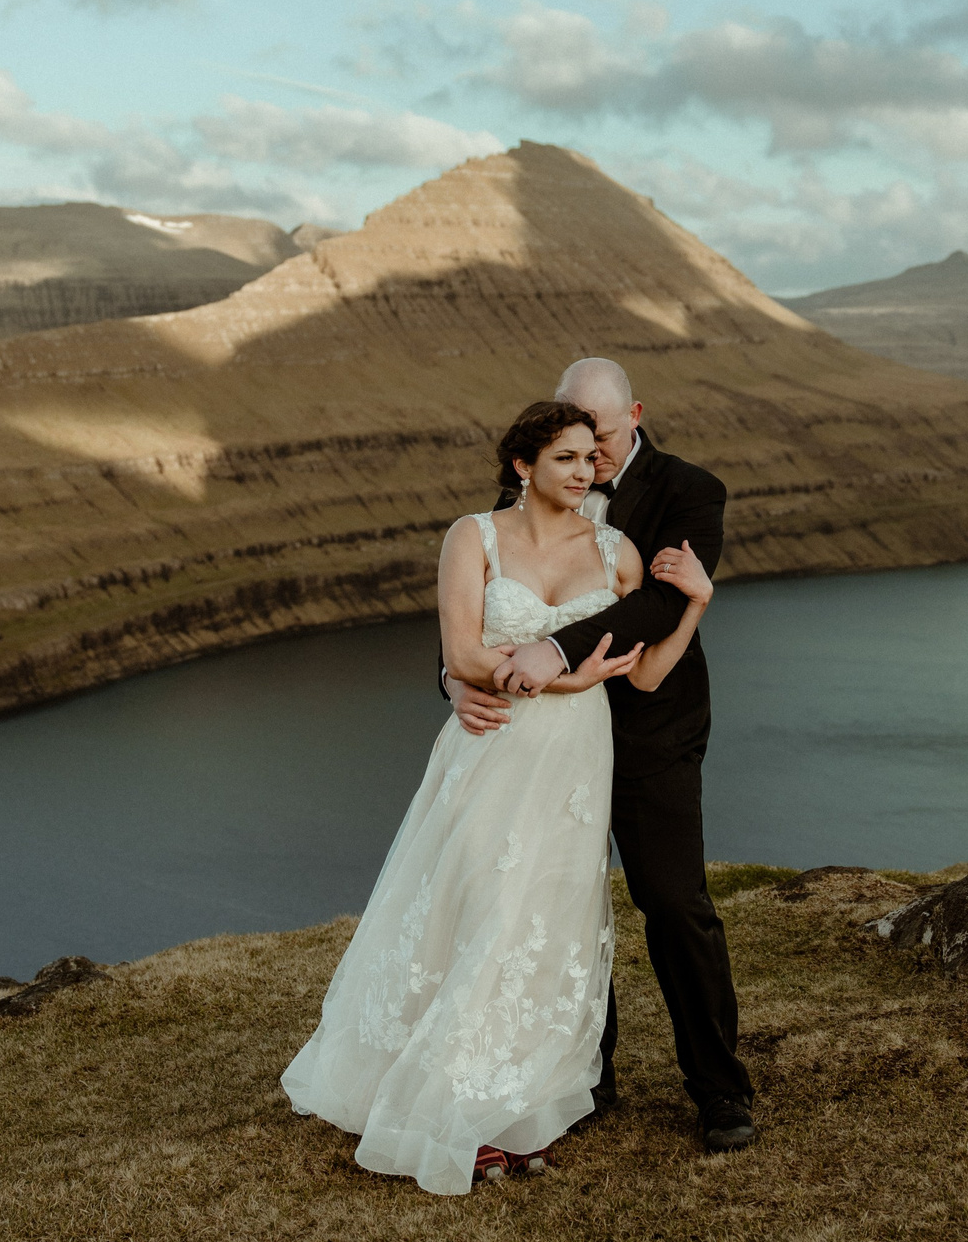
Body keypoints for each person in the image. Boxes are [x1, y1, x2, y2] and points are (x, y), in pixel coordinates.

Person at [281, 399, 714, 1195]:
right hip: (490, 750)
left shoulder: (619, 554)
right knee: (475, 909)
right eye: (568, 460)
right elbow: (465, 654)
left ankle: (512, 1111)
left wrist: (695, 604)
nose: (586, 473)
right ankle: (446, 1104)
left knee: (542, 928)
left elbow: (648, 675)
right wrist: (569, 674)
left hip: (575, 768)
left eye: (592, 459)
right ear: (524, 466)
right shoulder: (471, 537)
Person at [447, 358, 758, 1155]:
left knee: (674, 904)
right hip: (544, 742)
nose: (591, 460)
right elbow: (485, 605)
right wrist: (453, 675)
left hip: (651, 731)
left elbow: (658, 603)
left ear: (636, 415)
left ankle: (720, 1090)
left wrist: (553, 652)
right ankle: (584, 1077)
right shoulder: (529, 498)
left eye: (605, 440)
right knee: (554, 905)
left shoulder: (693, 490)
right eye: (575, 441)